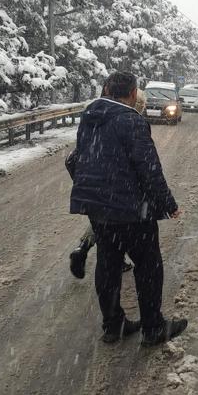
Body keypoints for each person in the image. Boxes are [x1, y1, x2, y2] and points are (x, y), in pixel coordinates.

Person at [69, 71, 188, 345]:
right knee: (148, 266)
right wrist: (167, 204)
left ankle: (113, 325)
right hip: (131, 210)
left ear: (107, 89)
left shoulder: (89, 117)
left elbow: (79, 158)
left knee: (108, 266)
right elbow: (149, 169)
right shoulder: (131, 120)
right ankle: (153, 327)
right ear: (133, 93)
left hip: (99, 209)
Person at [67, 80, 133, 279]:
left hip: (88, 180)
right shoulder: (125, 121)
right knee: (117, 224)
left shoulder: (95, 115)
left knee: (100, 222)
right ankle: (113, 260)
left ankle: (83, 248)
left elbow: (77, 155)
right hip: (113, 187)